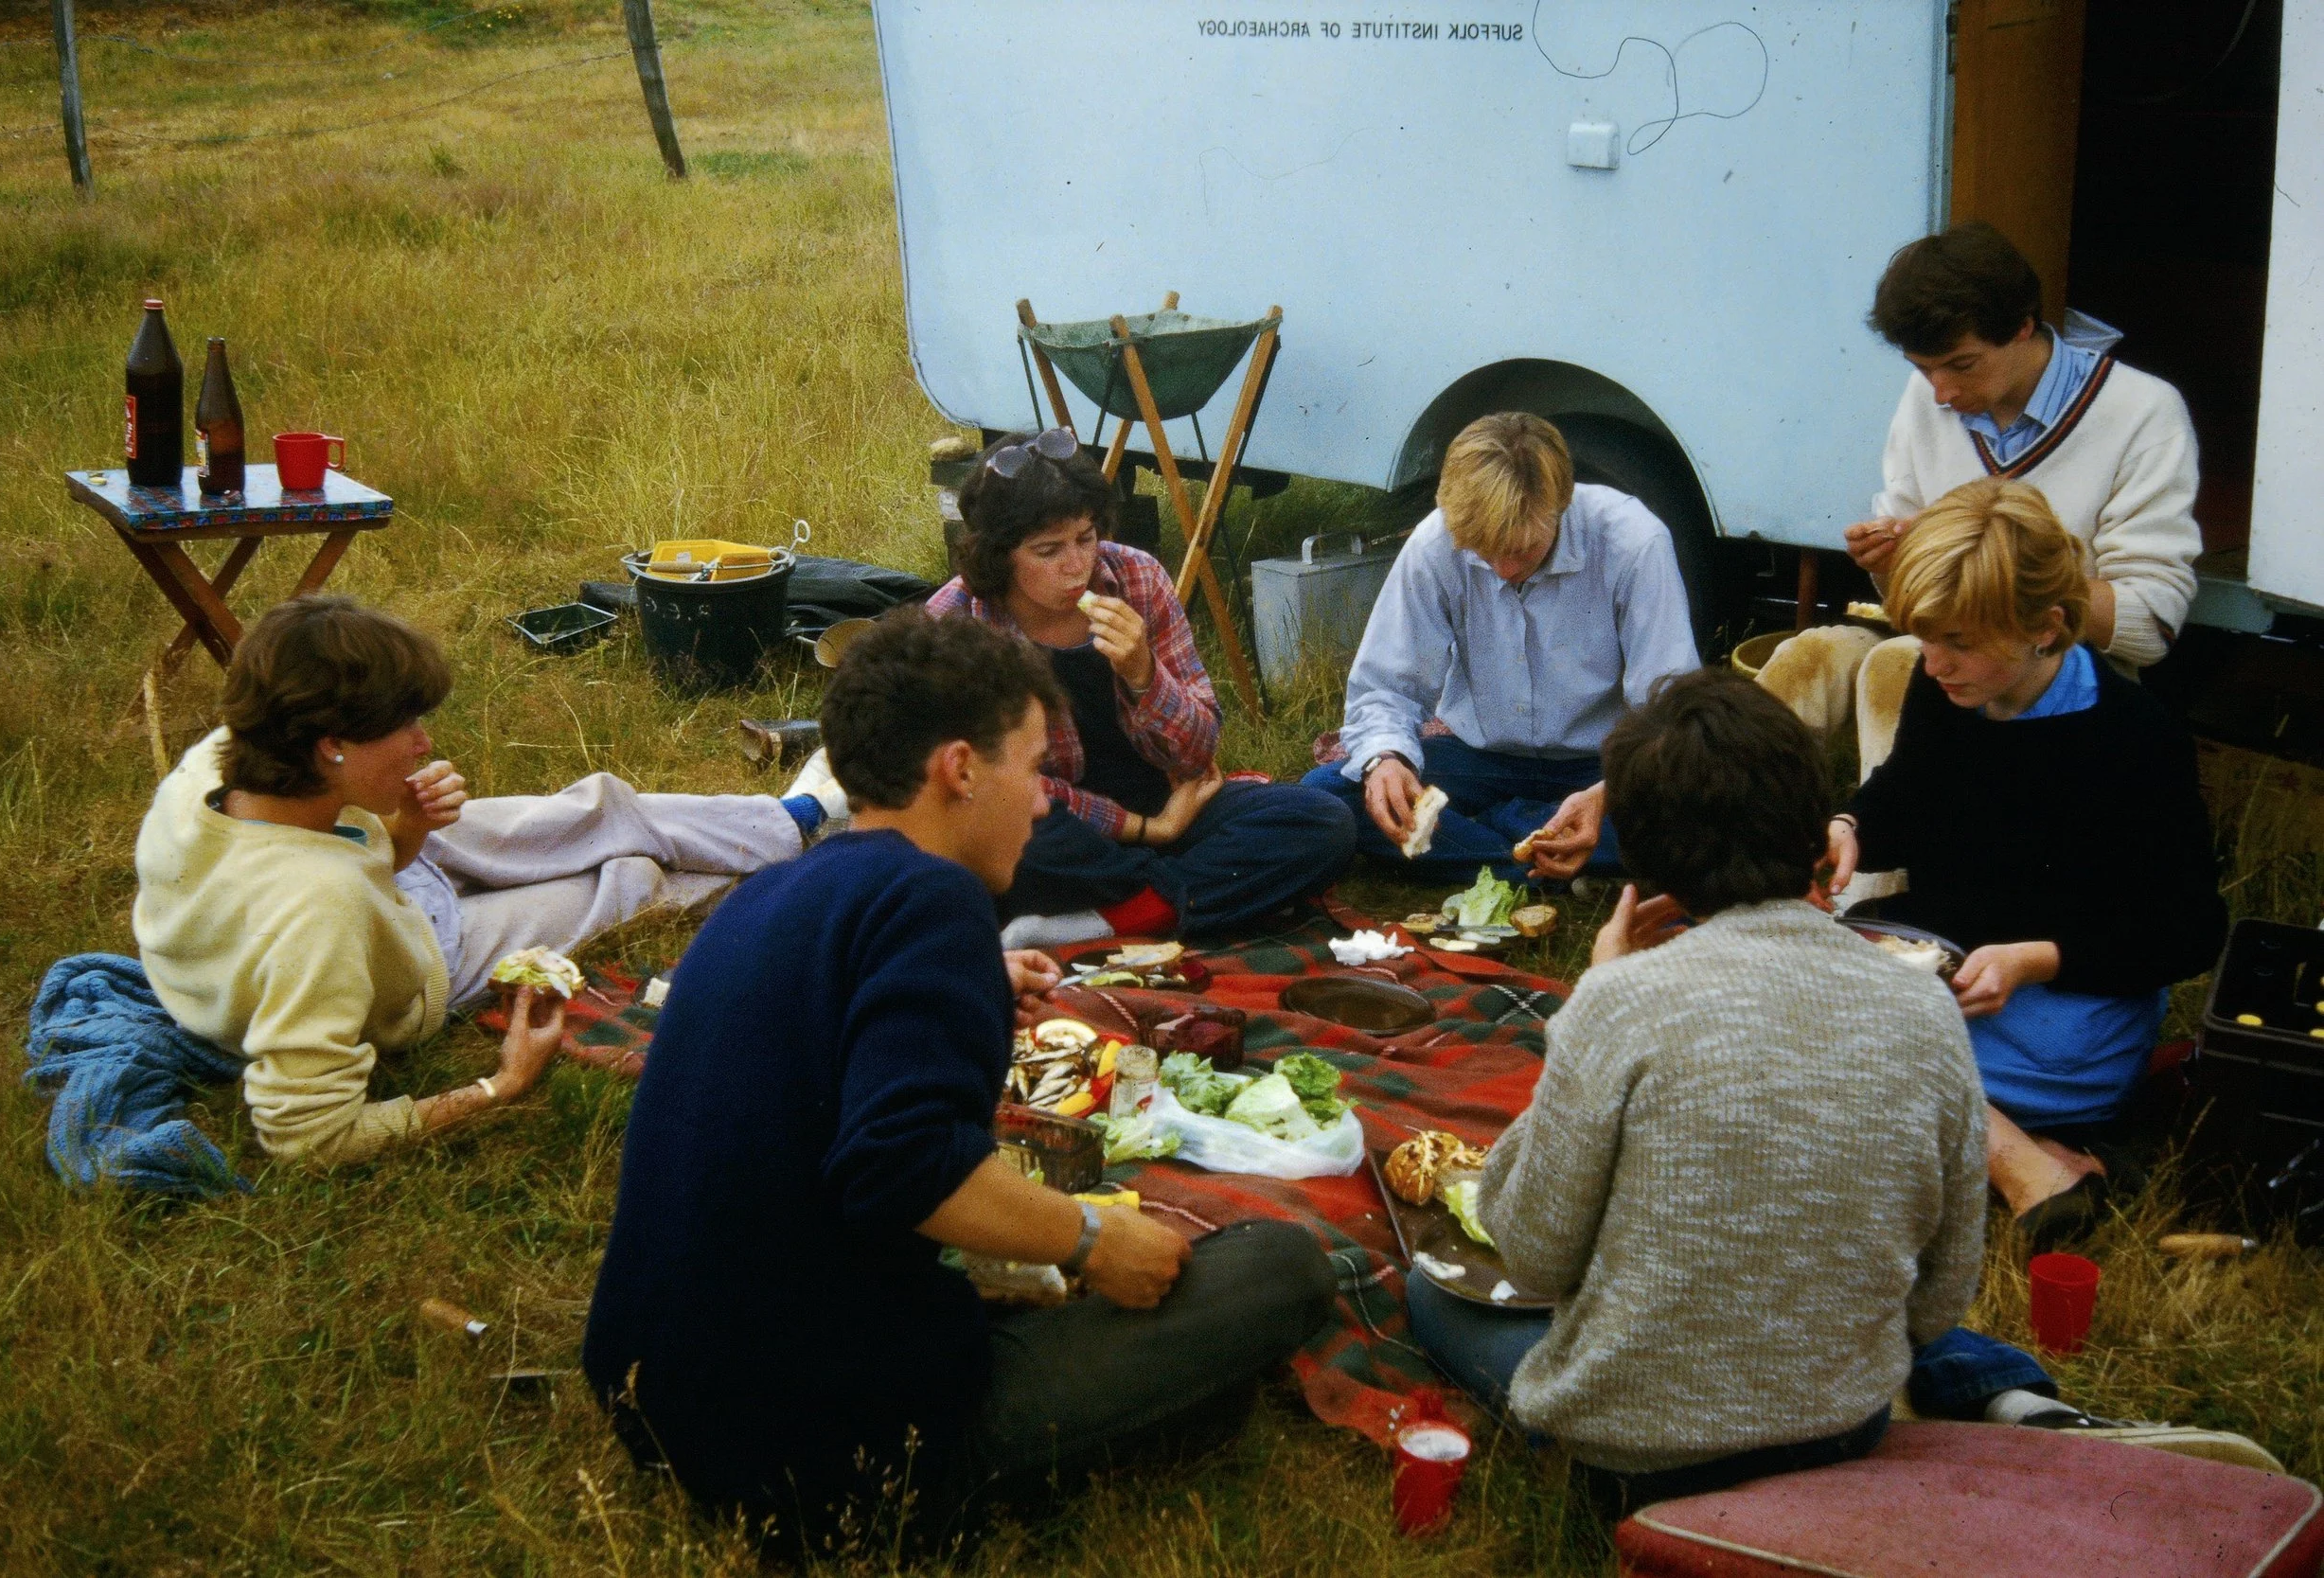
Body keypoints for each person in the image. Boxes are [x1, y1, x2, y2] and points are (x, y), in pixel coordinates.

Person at [581, 610, 1335, 1542]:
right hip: (823, 1446)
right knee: (1278, 1267)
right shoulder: (937, 897)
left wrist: (974, 978)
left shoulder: (776, 890)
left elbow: (827, 1052)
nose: (1047, 803)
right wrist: (1092, 1237)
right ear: (960, 769)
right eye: (1034, 768)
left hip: (650, 1391)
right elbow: (903, 1166)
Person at [1408, 668, 2069, 1517]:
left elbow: (1534, 1252)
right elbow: (1940, 1296)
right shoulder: (1925, 1007)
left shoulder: (1619, 1003)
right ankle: (1997, 1392)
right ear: (1813, 827)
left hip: (1640, 1461)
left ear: (1645, 862)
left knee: (1432, 1289)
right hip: (1843, 1426)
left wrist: (1592, 1004)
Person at [132, 594, 821, 1166]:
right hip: (416, 953)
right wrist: (502, 1084)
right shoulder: (318, 908)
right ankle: (819, 866)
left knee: (592, 812)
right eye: (404, 726)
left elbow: (349, 863)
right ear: (330, 744)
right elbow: (309, 1137)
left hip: (366, 879)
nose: (424, 742)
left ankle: (798, 817)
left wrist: (408, 826)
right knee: (632, 878)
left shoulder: (225, 760)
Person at [1829, 478, 2228, 1239]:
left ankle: (2018, 1166)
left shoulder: (2134, 737)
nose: (1934, 663)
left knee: (1818, 1050)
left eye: (1959, 643)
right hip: (1951, 980)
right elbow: (1909, 792)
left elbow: (2189, 929)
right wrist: (1852, 825)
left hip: (2066, 1015)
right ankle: (2038, 1159)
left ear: (2046, 627)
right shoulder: (1946, 683)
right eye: (1924, 637)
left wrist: (2034, 960)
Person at [926, 428, 1356, 946]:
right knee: (995, 845)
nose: (1076, 565)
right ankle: (1174, 895)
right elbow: (1000, 784)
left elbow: (1198, 753)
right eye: (1047, 550)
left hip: (1162, 799)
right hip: (1053, 825)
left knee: (1322, 821)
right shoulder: (958, 622)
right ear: (999, 555)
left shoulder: (1138, 577)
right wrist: (1149, 831)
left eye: (1086, 538)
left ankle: (1104, 919)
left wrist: (1143, 674)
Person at [1303, 413, 1699, 884]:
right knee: (1327, 797)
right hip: (1479, 758)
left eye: (1522, 549)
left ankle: (1495, 838)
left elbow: (1668, 710)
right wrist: (1385, 760)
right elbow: (1386, 687)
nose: (1504, 570)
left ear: (1560, 504)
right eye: (1484, 552)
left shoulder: (1633, 541)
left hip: (1606, 763)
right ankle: (1539, 847)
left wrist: (1607, 794)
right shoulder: (1435, 543)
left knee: (1705, 817)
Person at [1847, 221, 2202, 680]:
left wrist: (1999, 572)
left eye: (1963, 364)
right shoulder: (1926, 396)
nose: (1941, 393)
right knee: (1812, 654)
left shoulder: (2142, 410)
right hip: (1948, 654)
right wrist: (1892, 560)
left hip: (2071, 669)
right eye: (1923, 368)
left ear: (2023, 326)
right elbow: (1909, 601)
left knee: (1890, 665)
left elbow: (2151, 627)